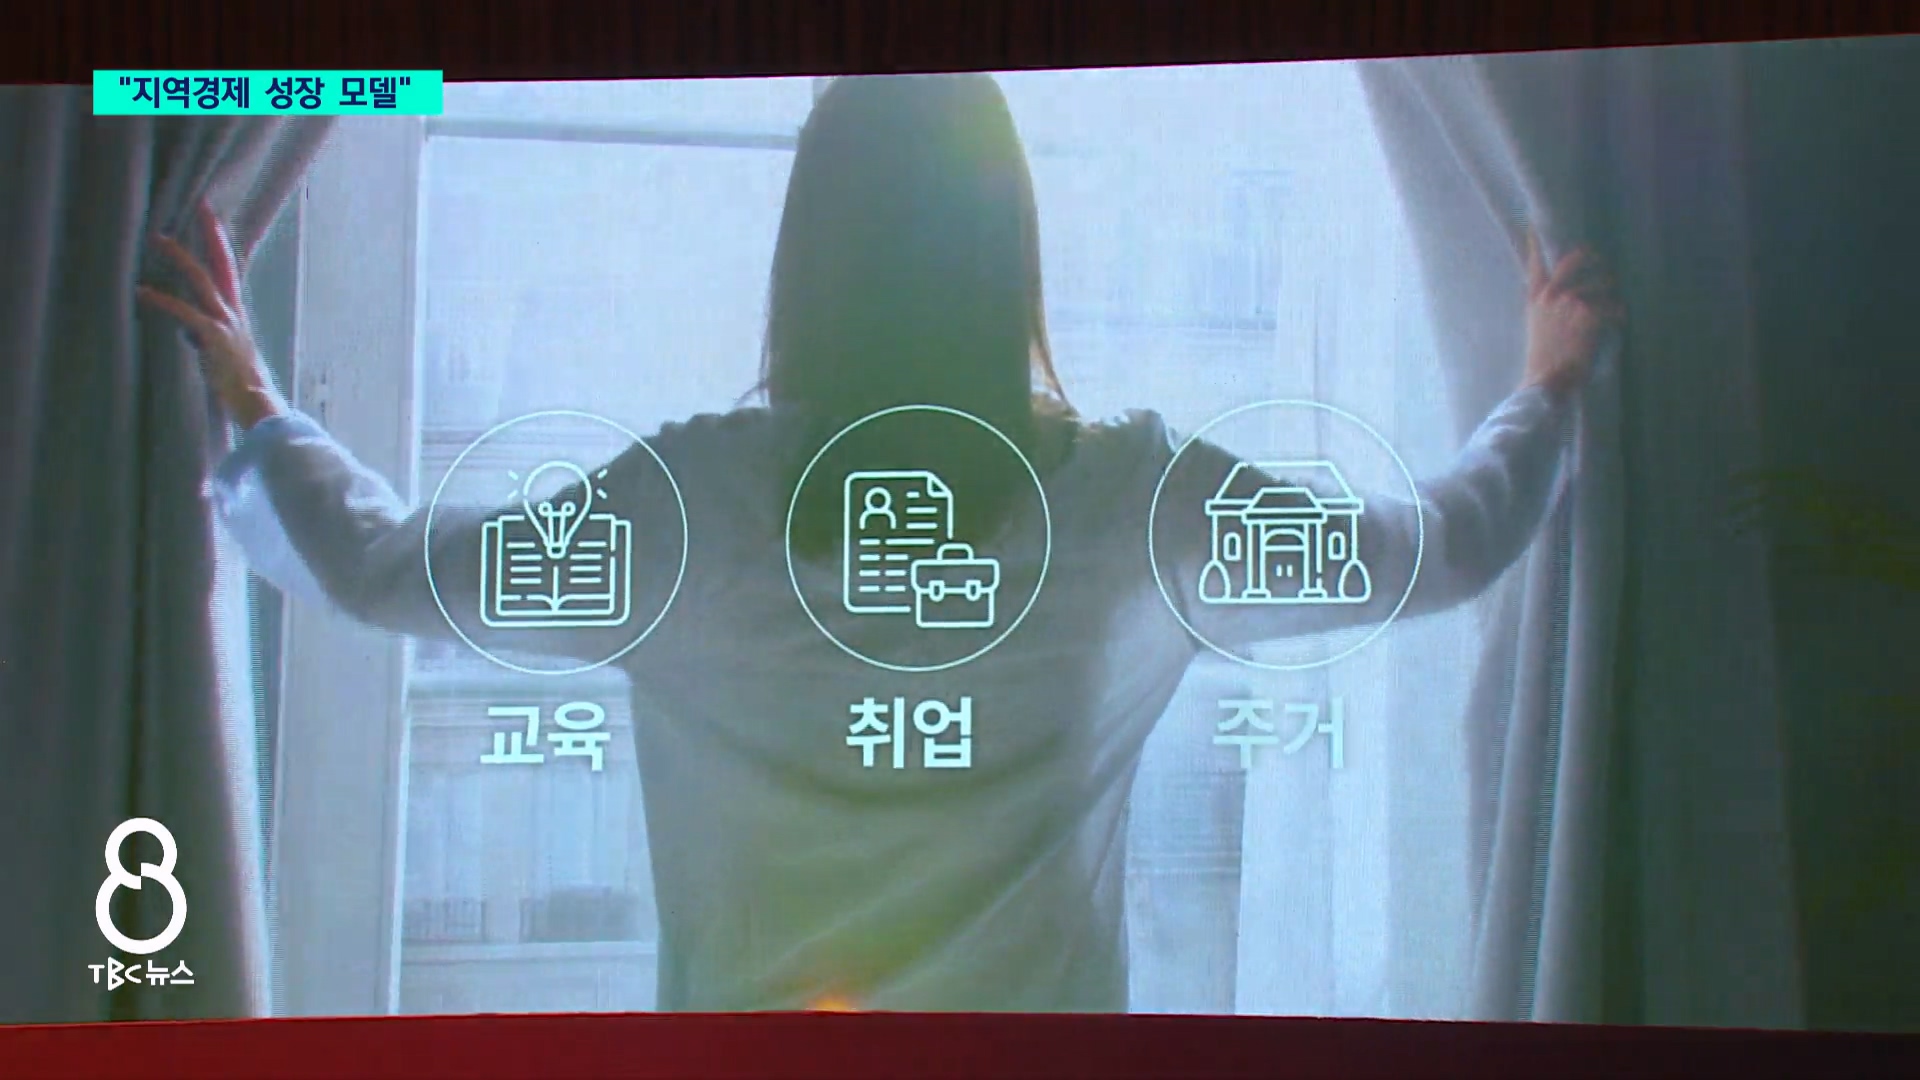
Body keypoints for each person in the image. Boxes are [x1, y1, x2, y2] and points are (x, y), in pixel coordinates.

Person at [139, 73, 1624, 1013]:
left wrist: (255, 401)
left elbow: (377, 569)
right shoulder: (1137, 505)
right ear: (1010, 260)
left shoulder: (685, 509)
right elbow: (1442, 549)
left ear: (807, 254)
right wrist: (1547, 387)